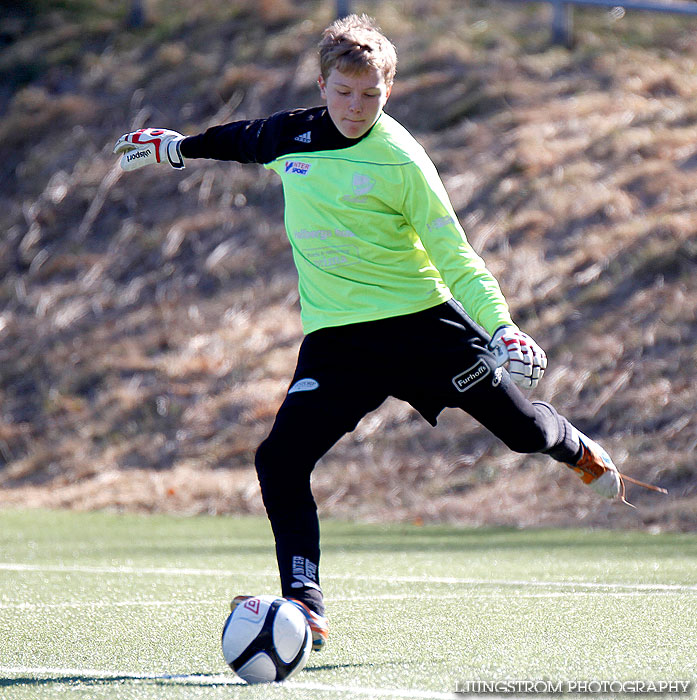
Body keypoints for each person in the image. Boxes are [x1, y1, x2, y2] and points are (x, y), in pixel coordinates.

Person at [114, 13, 660, 652]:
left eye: (370, 95)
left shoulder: (402, 161)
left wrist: (503, 327)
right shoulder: (293, 135)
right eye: (343, 93)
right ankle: (305, 604)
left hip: (424, 329)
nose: (355, 106)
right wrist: (179, 148)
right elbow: (241, 139)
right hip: (340, 342)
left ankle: (571, 443)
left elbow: (456, 256)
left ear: (388, 91)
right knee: (280, 461)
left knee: (524, 434)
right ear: (322, 85)